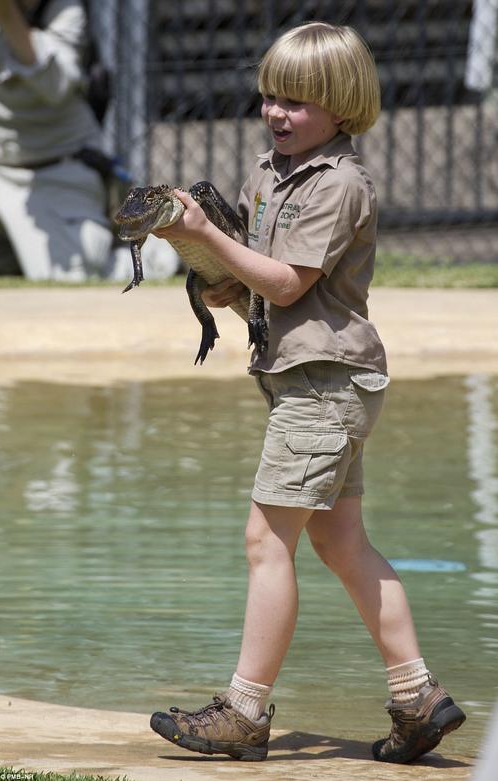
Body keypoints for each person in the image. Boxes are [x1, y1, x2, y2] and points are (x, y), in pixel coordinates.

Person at [149, 22, 466, 765]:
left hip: (327, 384)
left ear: (343, 106)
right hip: (309, 380)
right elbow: (251, 290)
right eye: (269, 96)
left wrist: (213, 236)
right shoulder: (268, 174)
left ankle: (244, 710)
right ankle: (418, 697)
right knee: (340, 540)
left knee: (267, 542)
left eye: (297, 101)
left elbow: (291, 282)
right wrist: (199, 253)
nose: (276, 112)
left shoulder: (340, 184)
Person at [0, 0, 177, 281]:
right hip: (1, 171)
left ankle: (155, 256)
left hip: (58, 169)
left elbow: (54, 86)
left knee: (72, 273)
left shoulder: (65, 11)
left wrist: (6, 14)